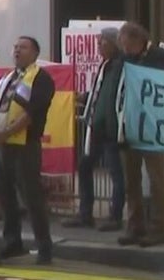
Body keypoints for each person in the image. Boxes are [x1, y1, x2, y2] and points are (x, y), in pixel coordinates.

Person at [0, 36, 55, 264]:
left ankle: (44, 247)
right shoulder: (6, 78)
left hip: (24, 146)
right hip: (0, 146)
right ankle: (12, 242)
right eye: (15, 47)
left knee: (31, 197)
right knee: (4, 195)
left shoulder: (41, 78)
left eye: (23, 48)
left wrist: (5, 133)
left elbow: (31, 113)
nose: (17, 51)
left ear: (35, 53)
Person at [116, 22, 164, 248]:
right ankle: (135, 225)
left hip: (150, 126)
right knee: (131, 180)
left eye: (128, 46)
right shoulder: (125, 58)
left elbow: (161, 83)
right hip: (129, 124)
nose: (126, 50)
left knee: (156, 179)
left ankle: (158, 227)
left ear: (139, 41)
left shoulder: (157, 55)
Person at [64, 27, 125, 231]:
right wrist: (86, 96)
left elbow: (113, 94)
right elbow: (102, 90)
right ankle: (85, 212)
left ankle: (115, 215)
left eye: (102, 43)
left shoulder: (120, 65)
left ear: (112, 43)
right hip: (97, 126)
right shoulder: (106, 66)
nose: (99, 47)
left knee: (116, 173)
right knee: (85, 165)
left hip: (110, 128)